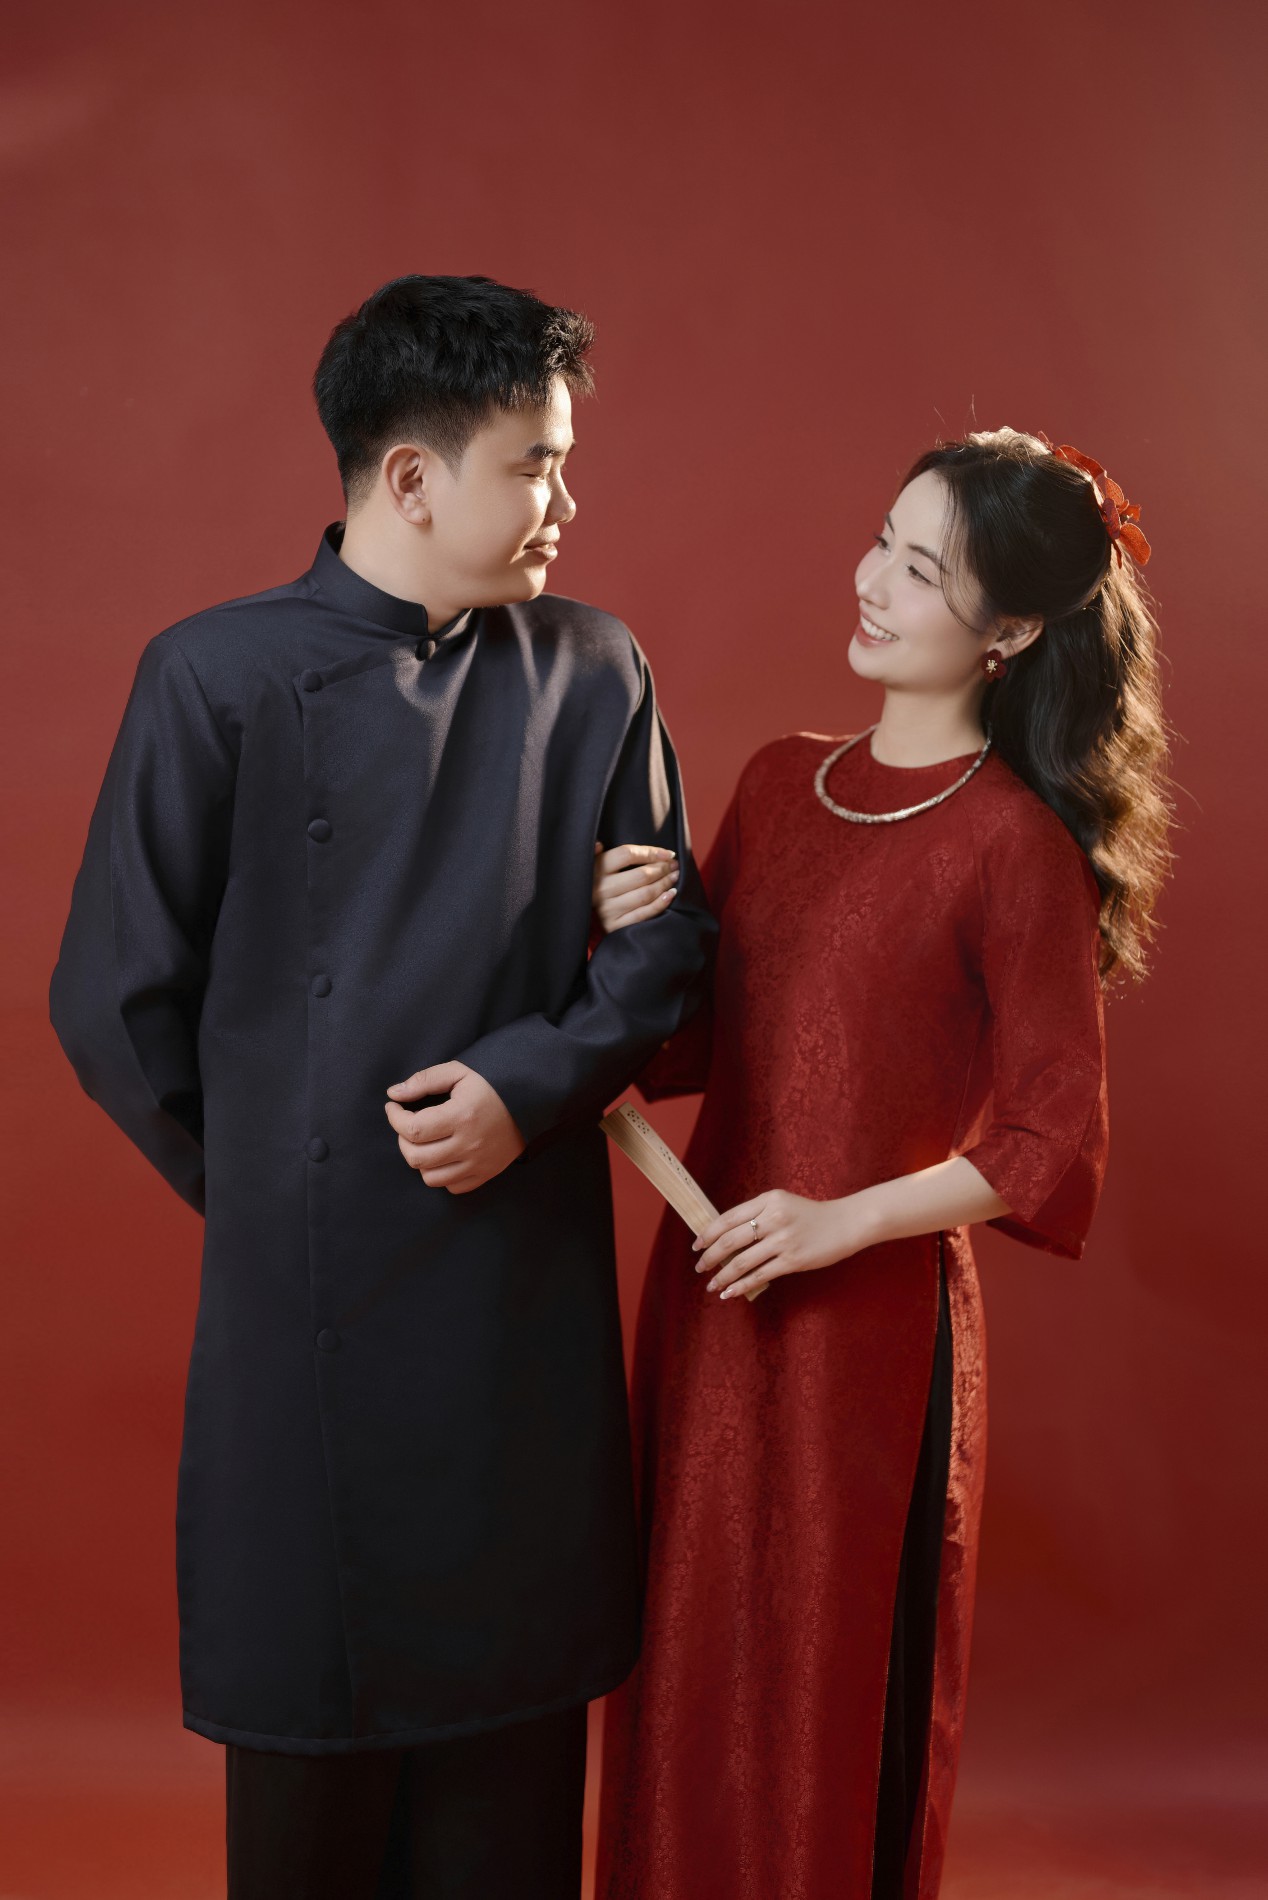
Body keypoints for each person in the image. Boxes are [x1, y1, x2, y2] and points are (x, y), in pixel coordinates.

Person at [49, 274, 715, 1899]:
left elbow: (664, 956)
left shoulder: (595, 671)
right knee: (310, 1795)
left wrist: (521, 1087)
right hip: (307, 1323)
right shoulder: (210, 676)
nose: (567, 501)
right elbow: (112, 998)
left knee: (511, 1796)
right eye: (537, 464)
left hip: (520, 1311)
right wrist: (294, 1185)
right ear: (412, 476)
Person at [591, 428, 1170, 1900]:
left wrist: (835, 1223)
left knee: (823, 1687)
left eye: (922, 570)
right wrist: (631, 921)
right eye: (883, 542)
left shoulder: (1016, 846)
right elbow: (685, 1045)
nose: (873, 582)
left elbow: (1049, 1143)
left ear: (1011, 631)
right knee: (679, 1653)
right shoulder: (781, 782)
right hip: (714, 1290)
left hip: (867, 1329)